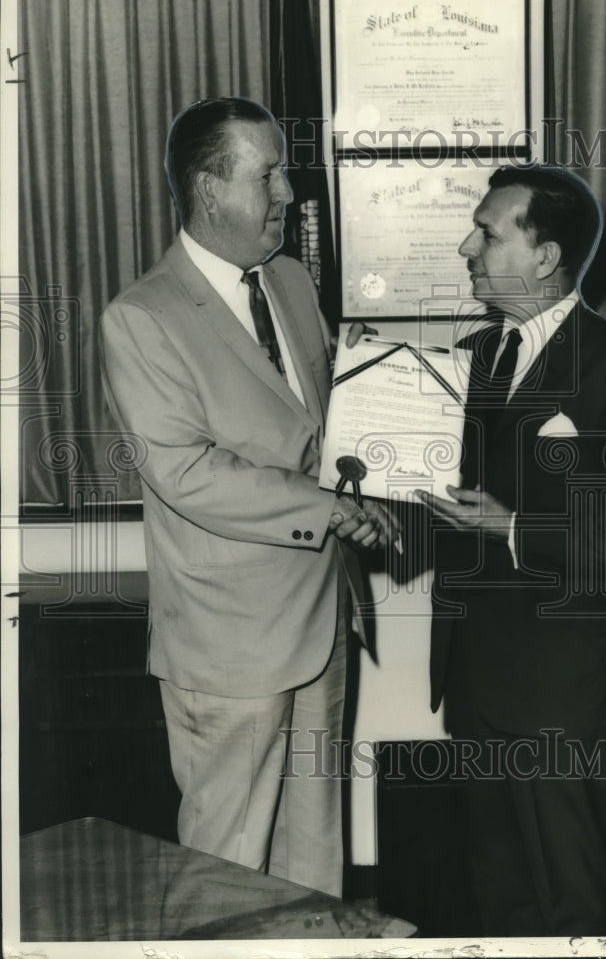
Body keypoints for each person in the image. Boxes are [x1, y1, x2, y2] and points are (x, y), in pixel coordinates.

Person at [100, 97, 393, 896]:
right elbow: (186, 471)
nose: (289, 193)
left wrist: (383, 469)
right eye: (268, 174)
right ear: (208, 190)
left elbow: (319, 431)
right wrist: (326, 509)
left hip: (325, 619)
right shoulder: (142, 317)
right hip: (230, 645)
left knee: (315, 855)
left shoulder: (292, 282)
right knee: (227, 866)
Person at [415, 164, 606, 935]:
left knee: (575, 897)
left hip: (568, 691)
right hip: (474, 675)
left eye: (488, 232)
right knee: (496, 894)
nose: (467, 246)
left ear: (544, 257)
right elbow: (452, 503)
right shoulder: (470, 359)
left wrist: (513, 527)